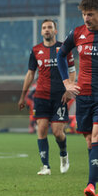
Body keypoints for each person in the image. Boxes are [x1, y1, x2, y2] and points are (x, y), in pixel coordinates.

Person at [18, 19, 75, 176]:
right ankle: (46, 167)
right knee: (41, 129)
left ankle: (63, 154)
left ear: (55, 31)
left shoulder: (64, 48)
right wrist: (22, 96)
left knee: (57, 132)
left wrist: (69, 88)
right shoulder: (36, 50)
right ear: (41, 32)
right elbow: (30, 74)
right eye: (44, 28)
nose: (47, 30)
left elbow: (71, 70)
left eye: (50, 27)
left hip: (60, 97)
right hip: (41, 96)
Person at [57, 0, 98, 196]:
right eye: (84, 14)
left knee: (97, 136)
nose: (86, 18)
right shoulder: (78, 33)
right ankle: (94, 180)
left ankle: (90, 185)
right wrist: (66, 83)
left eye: (90, 14)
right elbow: (60, 55)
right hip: (84, 96)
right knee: (90, 141)